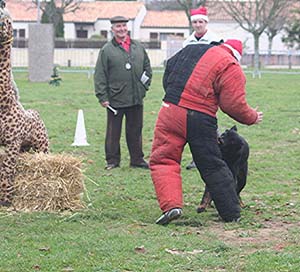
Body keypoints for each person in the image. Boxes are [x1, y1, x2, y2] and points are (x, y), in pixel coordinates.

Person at [150, 39, 263, 225]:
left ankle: (172, 206)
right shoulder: (230, 64)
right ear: (237, 55)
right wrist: (252, 117)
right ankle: (230, 213)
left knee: (163, 159)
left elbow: (170, 67)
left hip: (170, 110)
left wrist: (174, 95)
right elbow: (232, 104)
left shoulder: (191, 49)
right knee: (212, 165)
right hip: (201, 118)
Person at [94, 16, 152, 170]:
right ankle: (112, 160)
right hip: (115, 98)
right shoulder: (107, 50)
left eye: (124, 26)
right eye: (118, 26)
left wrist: (143, 88)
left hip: (136, 97)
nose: (121, 29)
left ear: (127, 28)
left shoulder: (138, 47)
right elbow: (100, 74)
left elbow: (148, 69)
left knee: (136, 131)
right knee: (113, 132)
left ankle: (137, 159)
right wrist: (102, 96)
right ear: (112, 29)